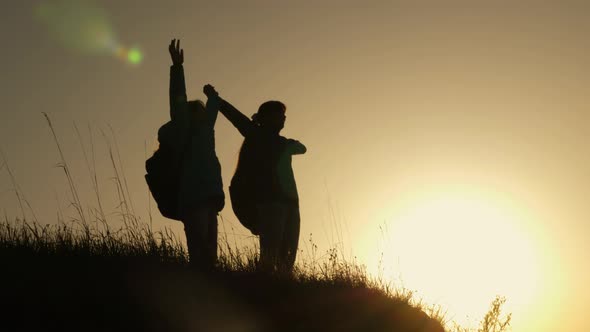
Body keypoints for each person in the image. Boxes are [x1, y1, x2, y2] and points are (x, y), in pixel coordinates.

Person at [203, 85, 306, 273]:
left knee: (288, 257)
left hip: (291, 204)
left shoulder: (283, 143)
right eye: (279, 114)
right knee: (270, 254)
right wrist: (216, 99)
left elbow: (303, 148)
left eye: (284, 115)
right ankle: (264, 288)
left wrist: (290, 145)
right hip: (270, 204)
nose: (283, 118)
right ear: (266, 118)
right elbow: (235, 117)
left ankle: (283, 291)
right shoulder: (256, 134)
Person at [164, 39, 224, 268]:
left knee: (210, 252)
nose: (202, 114)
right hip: (193, 196)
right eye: (197, 111)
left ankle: (209, 285)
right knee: (199, 248)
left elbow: (213, 109)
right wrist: (177, 67)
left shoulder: (206, 131)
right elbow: (177, 96)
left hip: (210, 197)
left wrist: (213, 95)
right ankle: (199, 283)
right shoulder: (184, 128)